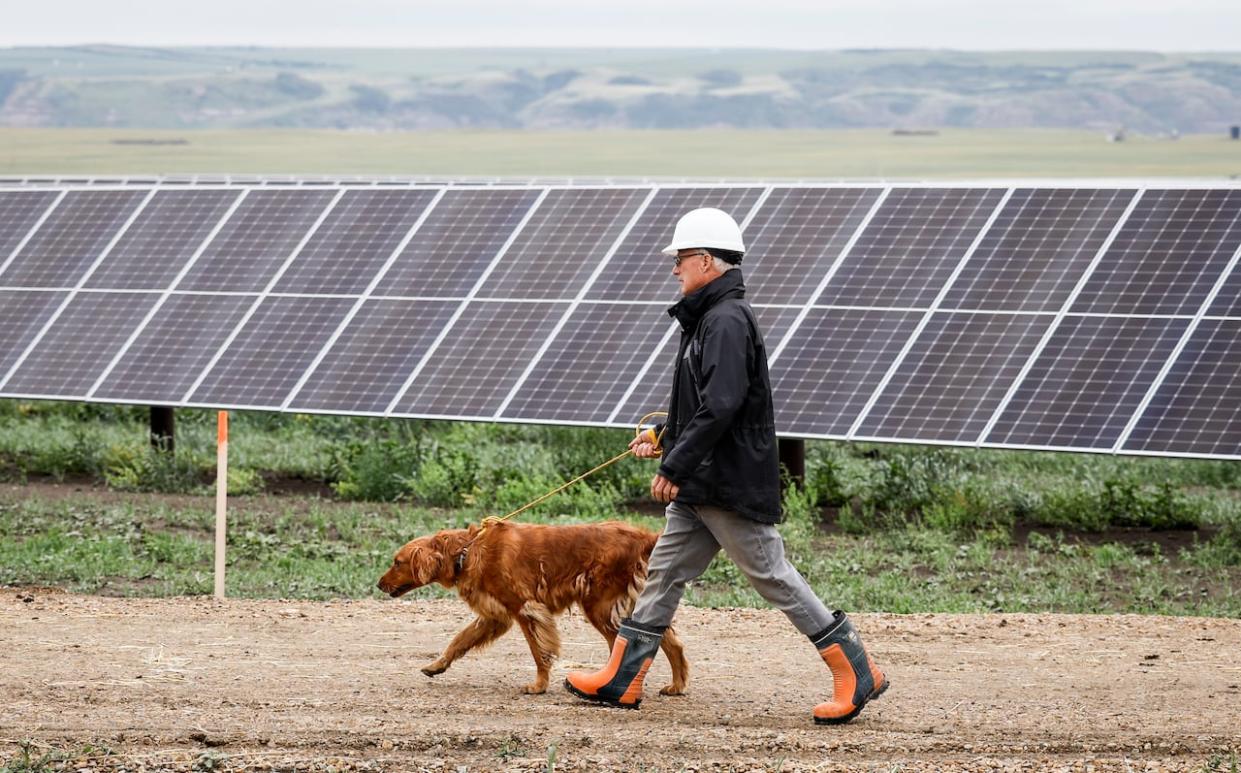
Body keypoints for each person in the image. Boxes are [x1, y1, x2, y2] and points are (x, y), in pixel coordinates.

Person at [563, 208, 888, 724]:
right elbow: (702, 405)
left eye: (682, 258)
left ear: (708, 261)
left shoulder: (726, 321)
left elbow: (724, 405)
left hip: (726, 479)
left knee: (771, 575)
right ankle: (622, 678)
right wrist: (664, 435)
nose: (675, 268)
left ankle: (857, 669)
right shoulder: (708, 319)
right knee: (663, 573)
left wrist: (674, 466)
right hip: (703, 480)